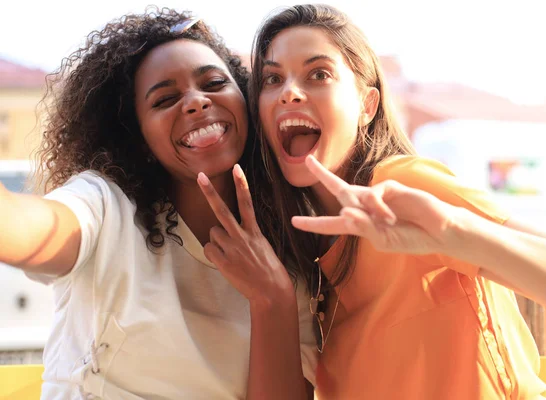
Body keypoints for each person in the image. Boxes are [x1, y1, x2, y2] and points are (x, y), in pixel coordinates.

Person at [249, 4, 546, 399]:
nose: (289, 92)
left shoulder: (402, 185)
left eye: (319, 74)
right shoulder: (308, 257)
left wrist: (453, 233)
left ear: (367, 106)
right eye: (272, 78)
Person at [1, 7, 316, 399]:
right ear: (139, 141)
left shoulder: (290, 256)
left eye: (215, 82)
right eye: (165, 99)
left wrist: (273, 299)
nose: (196, 102)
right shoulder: (107, 209)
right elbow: (31, 230)